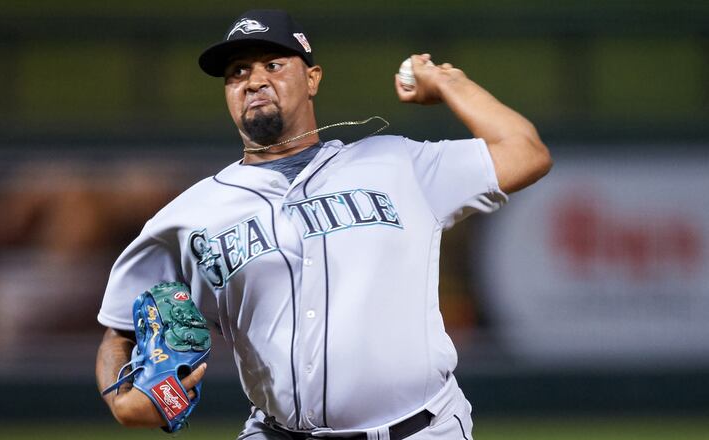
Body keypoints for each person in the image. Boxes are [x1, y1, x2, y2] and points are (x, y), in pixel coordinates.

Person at [95, 9, 551, 440]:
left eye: (273, 64)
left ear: (312, 79)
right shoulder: (189, 217)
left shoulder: (398, 163)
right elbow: (120, 329)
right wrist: (121, 397)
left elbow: (525, 152)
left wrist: (449, 82)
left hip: (423, 429)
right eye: (237, 72)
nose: (254, 80)